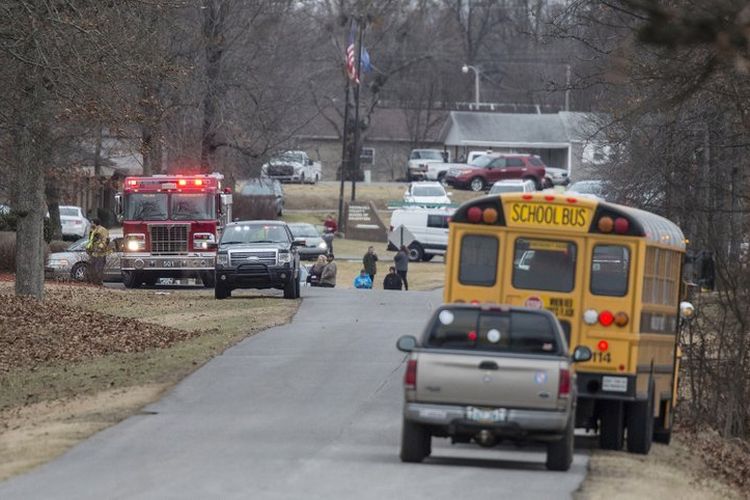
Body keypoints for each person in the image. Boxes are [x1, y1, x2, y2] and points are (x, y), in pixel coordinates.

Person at [85, 218, 110, 285]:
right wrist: (88, 248)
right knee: (92, 267)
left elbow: (105, 240)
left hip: (100, 252)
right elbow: (91, 241)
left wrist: (100, 247)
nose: (90, 224)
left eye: (91, 222)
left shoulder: (102, 230)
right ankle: (93, 281)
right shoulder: (92, 230)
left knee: (99, 267)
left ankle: (98, 282)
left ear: (95, 223)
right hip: (93, 252)